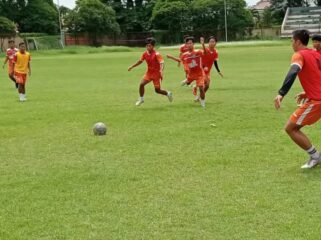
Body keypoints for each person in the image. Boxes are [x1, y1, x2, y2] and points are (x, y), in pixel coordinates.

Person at [274, 29, 321, 169]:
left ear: (297, 41)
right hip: (316, 97)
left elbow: (294, 71)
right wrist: (307, 92)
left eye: (291, 41)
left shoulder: (298, 55)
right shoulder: (316, 54)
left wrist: (281, 93)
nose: (291, 44)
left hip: (317, 101)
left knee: (291, 128)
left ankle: (315, 156)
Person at [128, 37, 173, 106]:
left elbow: (162, 63)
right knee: (141, 84)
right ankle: (141, 99)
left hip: (156, 74)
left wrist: (161, 70)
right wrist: (132, 66)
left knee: (157, 90)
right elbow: (140, 61)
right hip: (149, 73)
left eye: (149, 46)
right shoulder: (145, 54)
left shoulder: (157, 54)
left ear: (153, 46)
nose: (148, 47)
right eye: (147, 45)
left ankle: (168, 93)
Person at [168, 36, 206, 107]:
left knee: (201, 88)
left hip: (199, 74)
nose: (189, 45)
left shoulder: (198, 52)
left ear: (193, 44)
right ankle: (186, 81)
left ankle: (203, 103)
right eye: (187, 43)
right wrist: (171, 57)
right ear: (186, 45)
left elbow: (205, 53)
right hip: (191, 74)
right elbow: (179, 60)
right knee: (188, 83)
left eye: (190, 43)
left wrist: (203, 44)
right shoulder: (184, 55)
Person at [193, 36, 223, 101]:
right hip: (201, 69)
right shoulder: (206, 49)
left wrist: (218, 71)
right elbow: (204, 51)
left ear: (216, 43)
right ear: (208, 43)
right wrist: (203, 44)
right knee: (205, 82)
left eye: (213, 42)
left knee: (207, 86)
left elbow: (215, 62)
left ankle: (198, 95)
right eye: (210, 42)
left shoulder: (215, 52)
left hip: (207, 71)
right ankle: (197, 90)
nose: (211, 43)